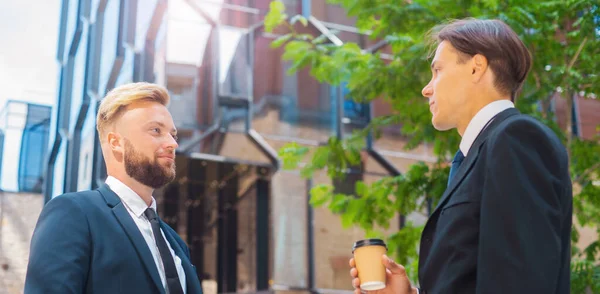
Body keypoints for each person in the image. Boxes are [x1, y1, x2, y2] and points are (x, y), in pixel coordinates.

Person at [350, 18, 572, 294]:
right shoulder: (476, 156)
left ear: (476, 67)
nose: (427, 88)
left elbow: (521, 283)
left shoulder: (516, 138)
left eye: (437, 71)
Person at [25, 82, 203, 294]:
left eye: (173, 135)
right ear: (116, 143)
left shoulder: (175, 243)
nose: (172, 143)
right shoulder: (74, 214)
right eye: (156, 130)